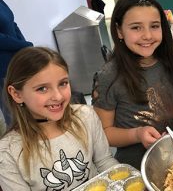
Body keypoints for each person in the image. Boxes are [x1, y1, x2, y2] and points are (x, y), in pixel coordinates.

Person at [92, 0, 173, 169]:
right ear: (119, 31)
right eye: (136, 27)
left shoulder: (170, 61)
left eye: (154, 26)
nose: (147, 35)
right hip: (137, 164)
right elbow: (103, 133)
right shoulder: (109, 76)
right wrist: (137, 134)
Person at [0, 47, 118, 190]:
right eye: (42, 88)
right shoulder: (7, 152)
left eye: (63, 83)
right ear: (17, 94)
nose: (58, 96)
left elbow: (104, 161)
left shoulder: (86, 116)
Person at [0, 0, 33, 127]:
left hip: (17, 61)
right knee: (13, 113)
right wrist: (22, 46)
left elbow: (12, 23)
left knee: (28, 106)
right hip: (2, 69)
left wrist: (25, 48)